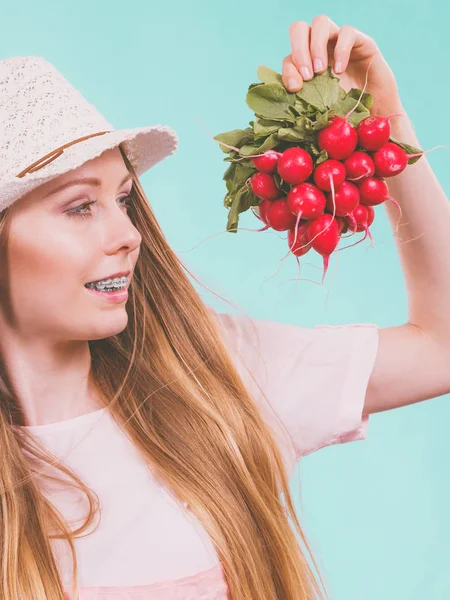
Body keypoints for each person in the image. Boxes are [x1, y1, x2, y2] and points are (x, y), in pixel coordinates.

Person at [0, 14, 448, 600]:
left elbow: (442, 348)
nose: (129, 235)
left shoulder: (216, 374)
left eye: (124, 199)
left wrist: (386, 121)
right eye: (79, 207)